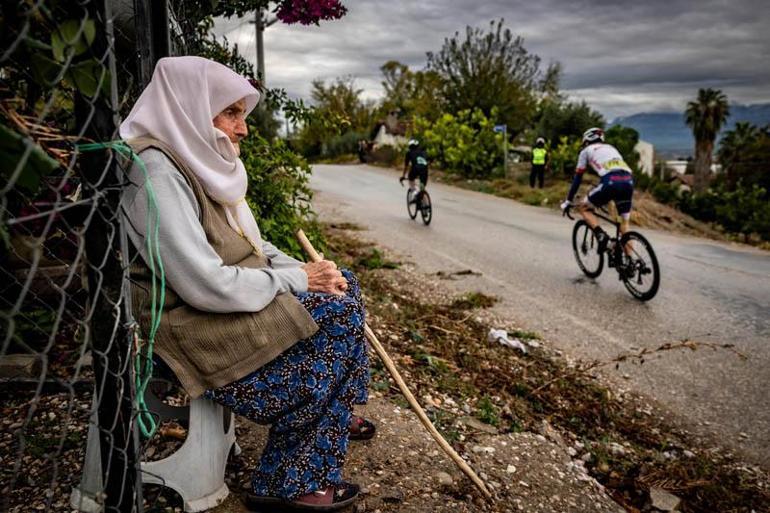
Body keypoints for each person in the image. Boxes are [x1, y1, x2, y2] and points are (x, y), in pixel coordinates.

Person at [119, 56, 372, 512]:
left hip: (224, 303)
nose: (243, 129)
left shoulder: (194, 159)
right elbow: (203, 285)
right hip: (189, 324)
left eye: (242, 115)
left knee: (342, 287)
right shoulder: (156, 174)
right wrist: (298, 280)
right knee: (335, 316)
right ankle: (290, 483)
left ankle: (330, 413)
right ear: (192, 109)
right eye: (231, 112)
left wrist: (312, 274)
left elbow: (251, 245)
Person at [560, 127, 634, 253]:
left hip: (611, 182)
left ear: (586, 140)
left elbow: (577, 179)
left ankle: (601, 236)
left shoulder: (586, 151)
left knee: (583, 207)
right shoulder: (611, 148)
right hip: (628, 181)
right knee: (624, 224)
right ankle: (630, 264)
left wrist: (568, 201)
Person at [400, 139, 429, 206]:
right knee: (422, 188)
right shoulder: (423, 152)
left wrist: (403, 176)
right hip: (425, 169)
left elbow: (406, 166)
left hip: (415, 168)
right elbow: (428, 161)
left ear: (410, 146)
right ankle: (426, 206)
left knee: (411, 179)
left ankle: (415, 193)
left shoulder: (409, 152)